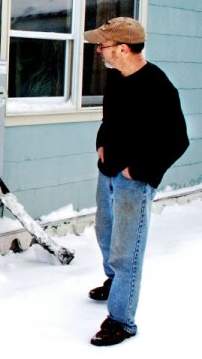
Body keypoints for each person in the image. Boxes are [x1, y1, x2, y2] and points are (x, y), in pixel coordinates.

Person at [83, 17, 189, 346]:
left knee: (126, 250)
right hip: (108, 171)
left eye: (104, 45)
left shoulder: (159, 88)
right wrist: (101, 144)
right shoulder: (116, 80)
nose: (99, 50)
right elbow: (109, 119)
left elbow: (178, 141)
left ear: (124, 49)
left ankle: (121, 320)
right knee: (105, 233)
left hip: (134, 181)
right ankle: (115, 283)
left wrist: (139, 170)